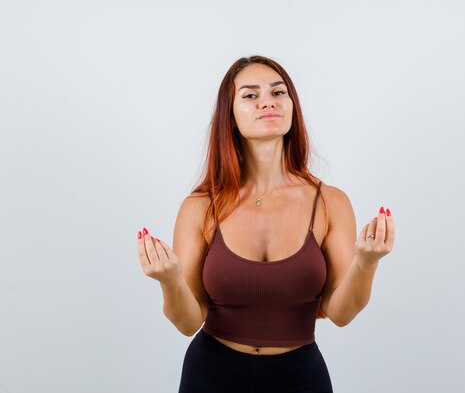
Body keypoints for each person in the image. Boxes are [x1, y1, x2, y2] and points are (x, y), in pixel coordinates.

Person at [135, 55, 395, 392]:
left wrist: (367, 261)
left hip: (300, 376)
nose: (267, 103)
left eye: (278, 92)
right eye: (250, 95)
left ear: (292, 106)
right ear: (230, 117)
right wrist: (169, 280)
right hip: (211, 375)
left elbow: (341, 313)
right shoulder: (200, 207)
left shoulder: (330, 202)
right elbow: (188, 322)